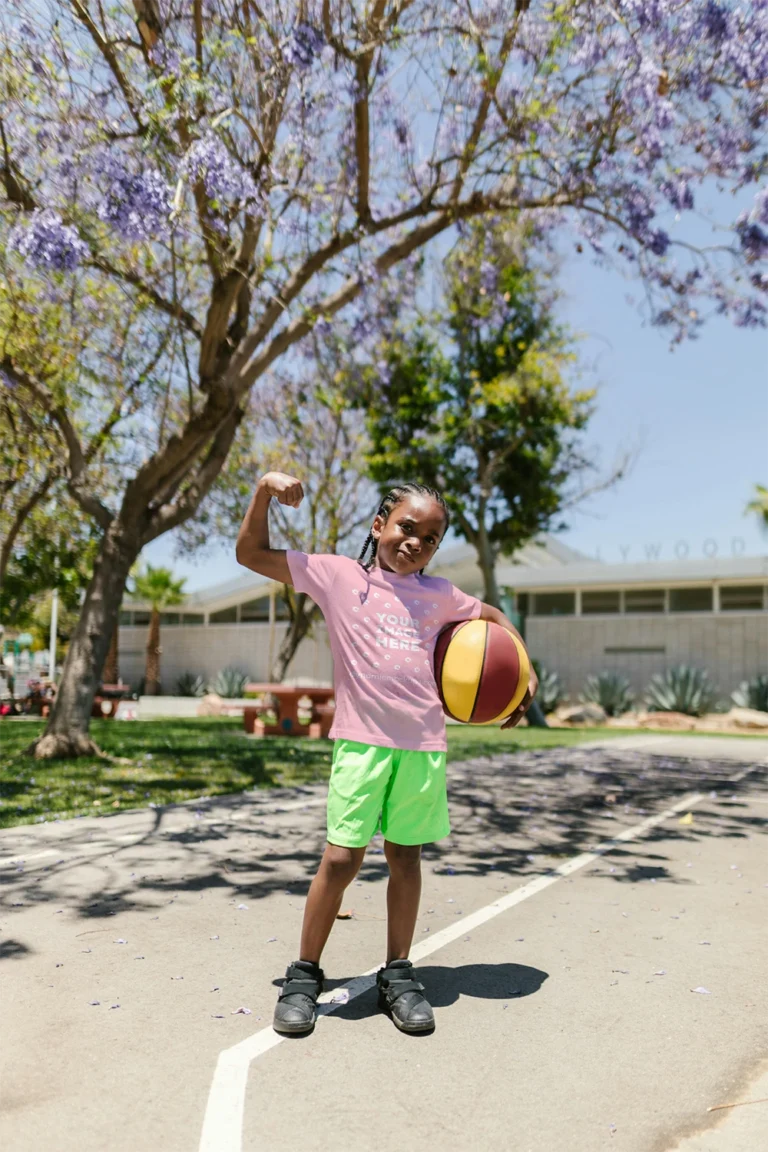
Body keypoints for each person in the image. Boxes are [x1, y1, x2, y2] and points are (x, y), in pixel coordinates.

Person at [236, 471, 538, 1035]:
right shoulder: (338, 576)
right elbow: (250, 552)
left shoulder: (442, 596)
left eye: (430, 537)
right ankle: (305, 974)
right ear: (379, 525)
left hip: (422, 747)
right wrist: (262, 492)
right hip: (361, 745)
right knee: (341, 859)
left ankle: (397, 973)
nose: (416, 542)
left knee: (405, 858)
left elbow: (494, 620)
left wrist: (523, 673)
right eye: (406, 527)